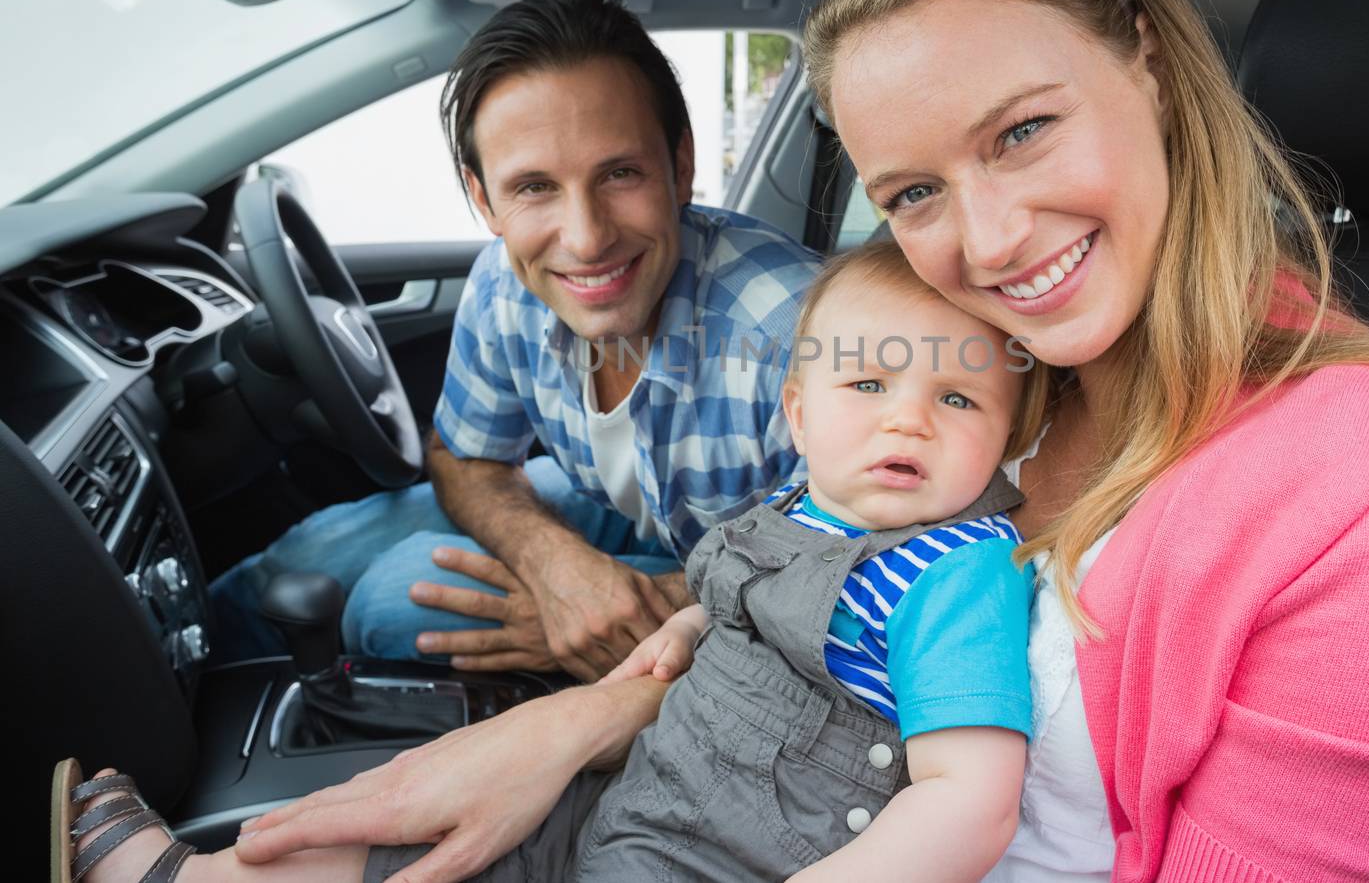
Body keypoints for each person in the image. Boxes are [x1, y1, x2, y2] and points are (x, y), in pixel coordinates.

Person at [58, 0, 1369, 883]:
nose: (988, 240)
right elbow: (799, 576)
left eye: (1023, 130)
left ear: (1152, 70)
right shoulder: (1012, 382)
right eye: (910, 191)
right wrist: (568, 726)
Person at [55, 239, 1056, 882]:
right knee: (423, 843)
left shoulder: (952, 572)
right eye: (869, 382)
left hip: (735, 856)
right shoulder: (805, 500)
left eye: (958, 400)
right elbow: (743, 587)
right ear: (796, 414)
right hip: (648, 791)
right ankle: (196, 879)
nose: (908, 419)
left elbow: (969, 799)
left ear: (1010, 437)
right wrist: (683, 625)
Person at [207, 0, 820, 681]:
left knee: (389, 599)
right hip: (643, 517)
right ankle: (161, 692)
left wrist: (638, 616)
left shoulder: (797, 333)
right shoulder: (504, 284)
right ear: (483, 198)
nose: (586, 239)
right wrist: (554, 563)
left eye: (619, 173)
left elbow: (858, 565)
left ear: (680, 165)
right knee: (316, 551)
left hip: (762, 577)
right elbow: (463, 457)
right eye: (534, 187)